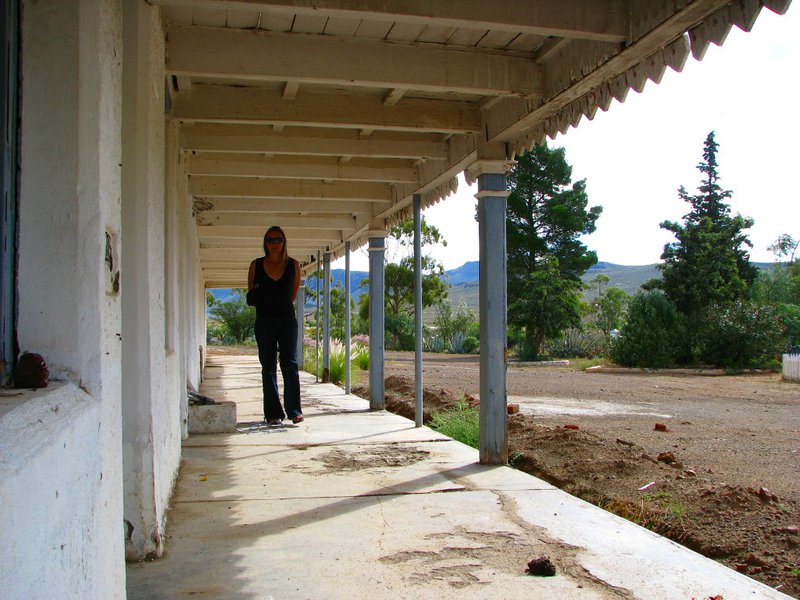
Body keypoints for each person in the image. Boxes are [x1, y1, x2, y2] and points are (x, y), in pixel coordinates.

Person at [247, 226, 304, 425]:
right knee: (268, 366)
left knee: (290, 363)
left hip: (287, 320)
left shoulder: (294, 265)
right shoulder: (256, 265)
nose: (274, 244)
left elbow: (293, 295)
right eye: (270, 240)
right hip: (264, 321)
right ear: (265, 242)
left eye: (278, 240)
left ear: (284, 242)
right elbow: (251, 292)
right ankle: (272, 413)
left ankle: (294, 410)